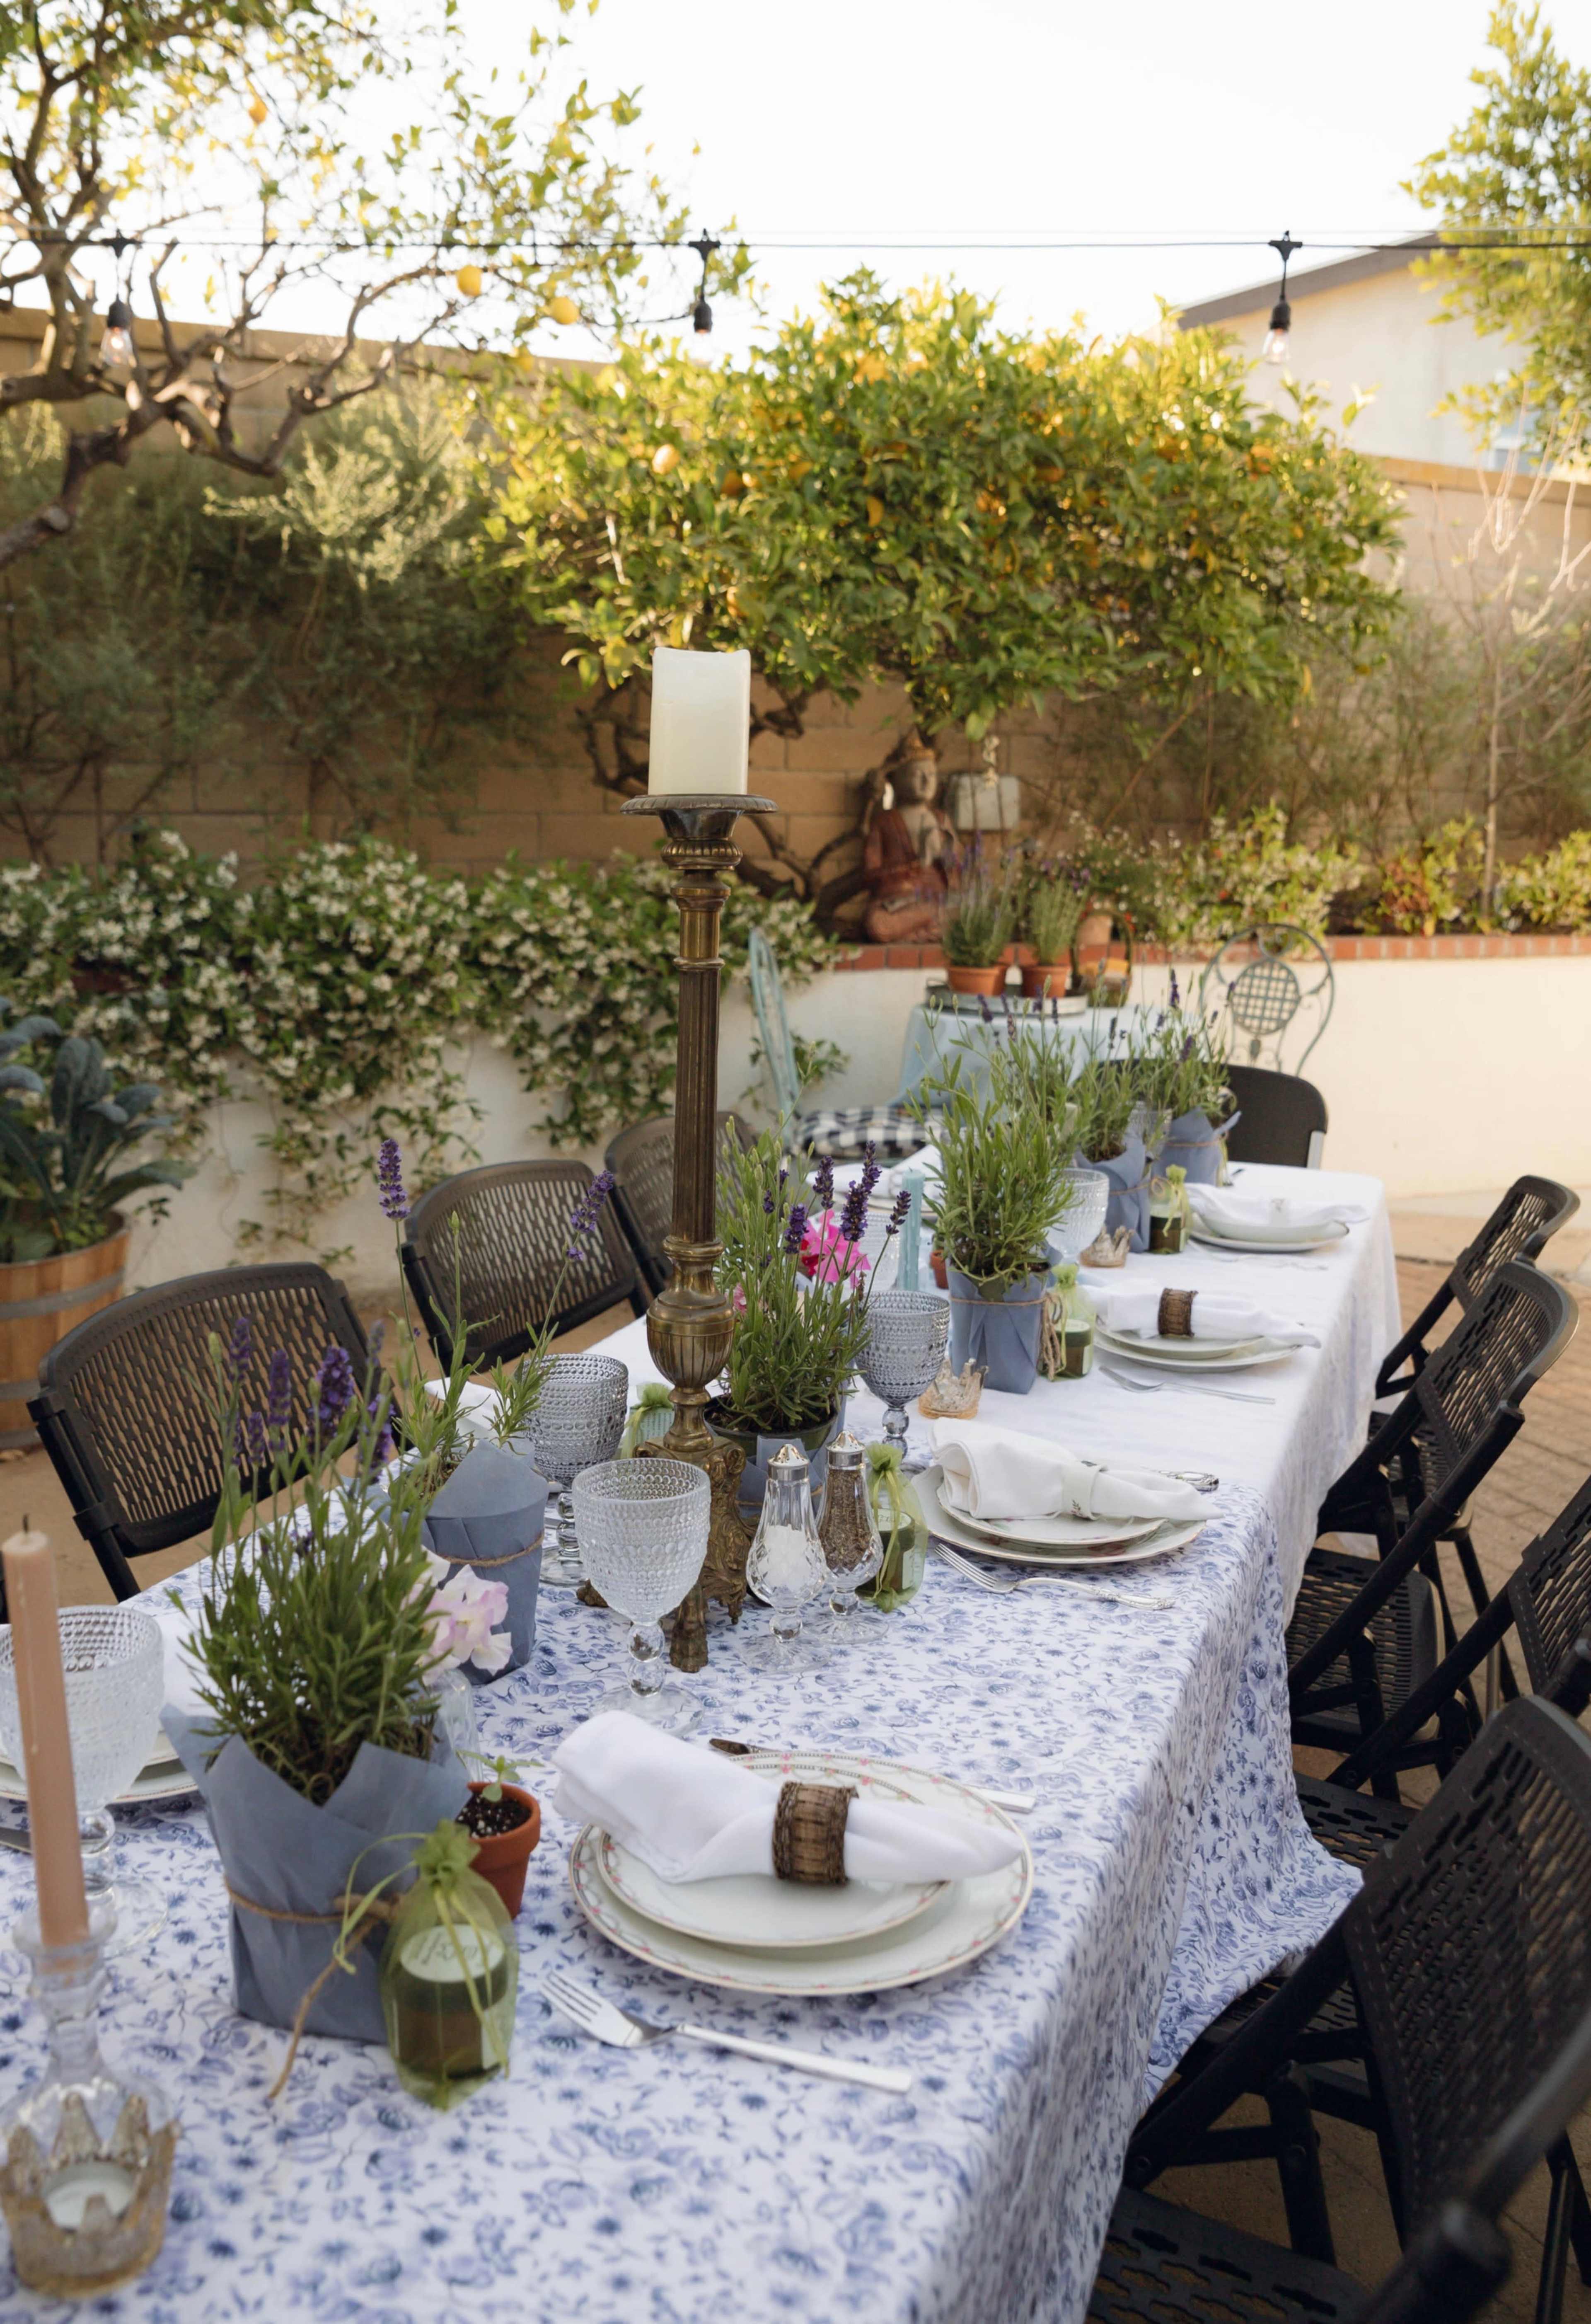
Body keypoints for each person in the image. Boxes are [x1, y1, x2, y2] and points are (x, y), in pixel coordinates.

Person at [861, 732, 956, 944]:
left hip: (938, 901)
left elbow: (959, 869)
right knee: (877, 922)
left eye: (931, 775)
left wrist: (944, 858)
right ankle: (927, 930)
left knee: (969, 910)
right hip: (901, 902)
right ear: (898, 780)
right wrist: (916, 865)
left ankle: (920, 930)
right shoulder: (884, 822)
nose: (926, 781)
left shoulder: (941, 819)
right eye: (918, 774)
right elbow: (870, 874)